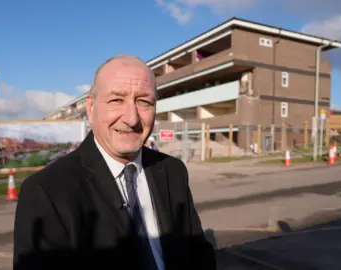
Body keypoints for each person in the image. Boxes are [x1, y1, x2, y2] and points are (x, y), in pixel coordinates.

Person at [13, 55, 216, 270]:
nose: (132, 119)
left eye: (144, 101)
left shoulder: (172, 171)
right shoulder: (46, 191)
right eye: (116, 100)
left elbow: (198, 253)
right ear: (91, 109)